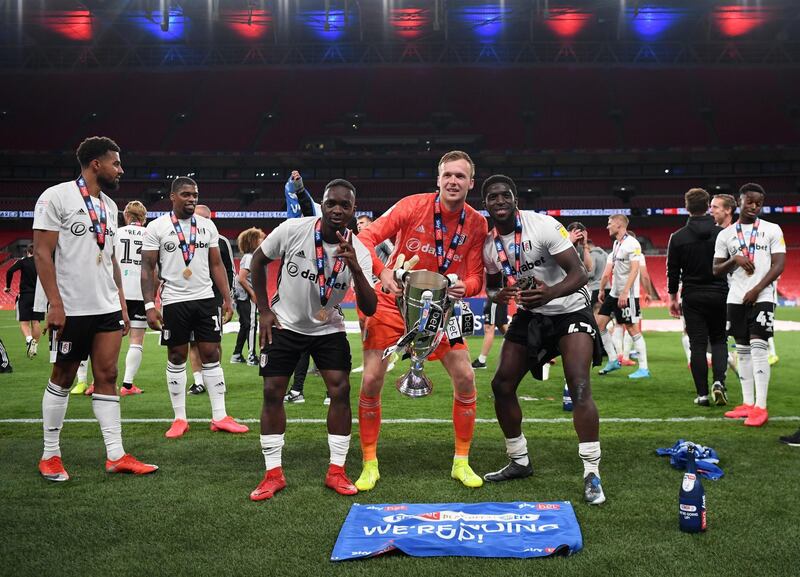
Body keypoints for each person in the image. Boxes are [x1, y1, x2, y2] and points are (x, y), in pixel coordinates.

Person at [354, 150, 489, 490]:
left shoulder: (477, 223)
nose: (453, 181)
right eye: (448, 175)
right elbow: (365, 237)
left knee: (466, 377)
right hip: (391, 303)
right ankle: (370, 464)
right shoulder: (412, 205)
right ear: (438, 179)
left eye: (460, 176)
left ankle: (462, 462)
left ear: (471, 183)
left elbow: (476, 276)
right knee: (371, 379)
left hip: (439, 311)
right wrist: (383, 271)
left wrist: (464, 287)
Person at [33, 136, 157, 481]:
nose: (121, 169)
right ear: (96, 164)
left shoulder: (109, 207)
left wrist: (119, 302)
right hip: (71, 306)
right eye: (116, 163)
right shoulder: (56, 197)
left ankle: (116, 455)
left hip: (106, 306)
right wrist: (54, 304)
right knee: (63, 377)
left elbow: (113, 260)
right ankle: (50, 455)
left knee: (108, 376)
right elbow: (42, 253)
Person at [248, 179, 377, 500]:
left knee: (341, 389)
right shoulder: (293, 229)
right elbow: (257, 261)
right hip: (285, 324)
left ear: (353, 211)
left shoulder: (359, 251)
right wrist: (264, 310)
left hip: (327, 328)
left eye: (344, 205)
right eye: (331, 203)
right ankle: (273, 474)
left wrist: (356, 269)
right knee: (272, 390)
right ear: (322, 204)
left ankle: (337, 470)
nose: (336, 210)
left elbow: (370, 306)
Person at [480, 175, 605, 505]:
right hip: (532, 314)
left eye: (505, 195)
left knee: (578, 384)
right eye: (493, 197)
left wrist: (550, 292)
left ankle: (592, 472)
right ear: (486, 204)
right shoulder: (490, 245)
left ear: (515, 199)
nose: (500, 201)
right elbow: (492, 288)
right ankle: (519, 460)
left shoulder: (543, 226)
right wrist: (499, 295)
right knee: (501, 384)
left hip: (570, 310)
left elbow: (579, 274)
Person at [141, 178, 248, 438]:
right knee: (176, 355)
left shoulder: (207, 226)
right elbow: (147, 269)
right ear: (173, 197)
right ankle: (179, 418)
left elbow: (216, 265)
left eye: (195, 195)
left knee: (211, 353)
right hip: (174, 300)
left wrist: (227, 298)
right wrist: (148, 305)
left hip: (205, 299)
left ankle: (220, 416)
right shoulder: (156, 227)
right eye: (186, 195)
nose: (192, 199)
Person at [713, 183, 785, 427]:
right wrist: (735, 258)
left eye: (758, 203)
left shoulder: (771, 229)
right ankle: (747, 402)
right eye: (750, 201)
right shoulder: (726, 235)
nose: (754, 206)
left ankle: (761, 407)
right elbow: (716, 270)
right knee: (742, 349)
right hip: (735, 297)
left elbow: (779, 265)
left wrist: (756, 289)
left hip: (762, 296)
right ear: (739, 201)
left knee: (758, 347)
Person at [666, 188, 729, 407]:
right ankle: (719, 382)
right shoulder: (722, 233)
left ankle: (702, 394)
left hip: (692, 295)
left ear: (686, 207)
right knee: (720, 340)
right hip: (720, 293)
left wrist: (672, 298)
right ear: (708, 207)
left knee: (698, 345)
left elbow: (673, 271)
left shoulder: (678, 237)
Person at [187, 204, 238, 393]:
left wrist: (228, 298)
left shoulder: (221, 240)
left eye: (203, 219)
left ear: (210, 220)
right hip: (190, 296)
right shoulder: (185, 237)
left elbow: (230, 270)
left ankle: (216, 378)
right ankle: (199, 381)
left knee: (214, 341)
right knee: (193, 342)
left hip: (214, 298)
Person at [596, 214, 650, 379]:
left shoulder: (632, 244)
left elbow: (635, 270)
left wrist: (625, 292)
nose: (607, 226)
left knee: (632, 328)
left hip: (628, 295)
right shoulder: (616, 244)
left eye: (610, 223)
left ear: (619, 225)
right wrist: (602, 289)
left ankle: (644, 368)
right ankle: (613, 360)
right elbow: (609, 271)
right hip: (614, 293)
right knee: (600, 325)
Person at [352, 214, 396, 374]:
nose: (359, 225)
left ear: (371, 224)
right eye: (357, 224)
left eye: (362, 223)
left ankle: (388, 359)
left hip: (378, 288)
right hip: (362, 289)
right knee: (363, 325)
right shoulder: (355, 242)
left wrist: (385, 274)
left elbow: (394, 253)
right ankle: (366, 361)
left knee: (377, 326)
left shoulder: (381, 240)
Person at [115, 201, 148, 395]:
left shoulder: (117, 233)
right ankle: (127, 385)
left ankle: (98, 382)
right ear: (143, 218)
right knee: (136, 339)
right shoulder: (149, 235)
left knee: (109, 339)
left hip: (117, 292)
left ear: (126, 216)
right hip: (140, 292)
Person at [231, 227, 264, 365]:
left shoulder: (251, 257)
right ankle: (252, 355)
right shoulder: (250, 257)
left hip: (243, 295)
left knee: (245, 325)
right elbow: (242, 278)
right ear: (253, 241)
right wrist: (253, 293)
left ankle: (237, 354)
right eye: (260, 238)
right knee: (251, 324)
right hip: (246, 296)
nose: (263, 240)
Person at [5, 244, 44, 359]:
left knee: (24, 322)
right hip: (39, 296)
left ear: (28, 252)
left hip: (26, 295)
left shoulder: (23, 261)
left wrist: (8, 286)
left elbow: (9, 271)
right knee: (36, 322)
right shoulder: (41, 262)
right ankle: (34, 347)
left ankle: (29, 340)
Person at [470, 297, 508, 370]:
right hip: (499, 297)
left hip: (496, 297)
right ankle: (521, 351)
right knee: (502, 326)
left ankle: (481, 360)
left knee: (489, 327)